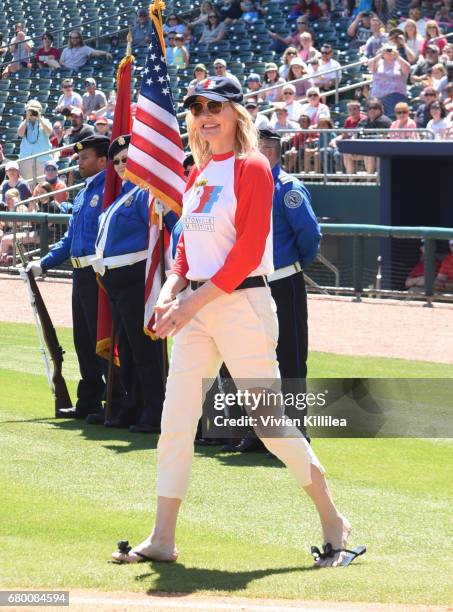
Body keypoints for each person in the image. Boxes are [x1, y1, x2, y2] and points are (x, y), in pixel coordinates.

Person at [112, 76, 359, 569]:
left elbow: (247, 250)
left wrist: (190, 302)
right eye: (198, 107)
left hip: (240, 305)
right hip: (198, 306)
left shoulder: (252, 167)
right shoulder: (199, 171)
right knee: (175, 421)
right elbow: (185, 246)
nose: (206, 115)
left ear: (236, 114)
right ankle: (162, 537)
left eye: (216, 106)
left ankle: (335, 522)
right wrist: (168, 292)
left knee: (269, 422)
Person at [26, 136, 126, 421]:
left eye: (85, 158)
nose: (79, 163)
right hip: (80, 273)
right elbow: (70, 238)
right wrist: (43, 263)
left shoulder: (110, 187)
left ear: (103, 161)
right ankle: (89, 400)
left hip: (99, 273)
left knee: (102, 338)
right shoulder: (83, 192)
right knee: (83, 339)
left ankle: (115, 400)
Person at [93, 135, 177, 431]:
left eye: (126, 159)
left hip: (135, 278)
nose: (119, 166)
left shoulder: (145, 194)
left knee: (143, 349)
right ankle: (135, 405)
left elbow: (171, 226)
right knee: (127, 350)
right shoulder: (122, 196)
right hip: (115, 282)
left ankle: (154, 409)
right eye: (115, 161)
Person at [368, 44, 410, 118]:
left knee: (391, 118)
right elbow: (370, 66)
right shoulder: (378, 62)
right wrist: (380, 54)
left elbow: (407, 69)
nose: (389, 52)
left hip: (395, 97)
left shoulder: (399, 63)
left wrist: (397, 56)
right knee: (378, 119)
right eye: (387, 50)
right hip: (378, 97)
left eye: (391, 50)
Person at [17, 100, 53, 182]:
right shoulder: (24, 123)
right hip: (26, 159)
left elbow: (49, 132)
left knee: (43, 186)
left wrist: (39, 118)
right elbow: (20, 133)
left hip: (42, 159)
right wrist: (27, 118)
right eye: (31, 110)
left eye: (35, 110)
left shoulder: (45, 121)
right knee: (28, 187)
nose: (33, 112)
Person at [357, 98, 392, 173]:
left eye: (375, 108)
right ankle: (350, 180)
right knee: (347, 154)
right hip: (363, 149)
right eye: (370, 108)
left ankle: (369, 180)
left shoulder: (385, 121)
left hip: (380, 150)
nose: (372, 110)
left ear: (380, 109)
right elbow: (356, 135)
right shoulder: (363, 122)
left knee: (368, 153)